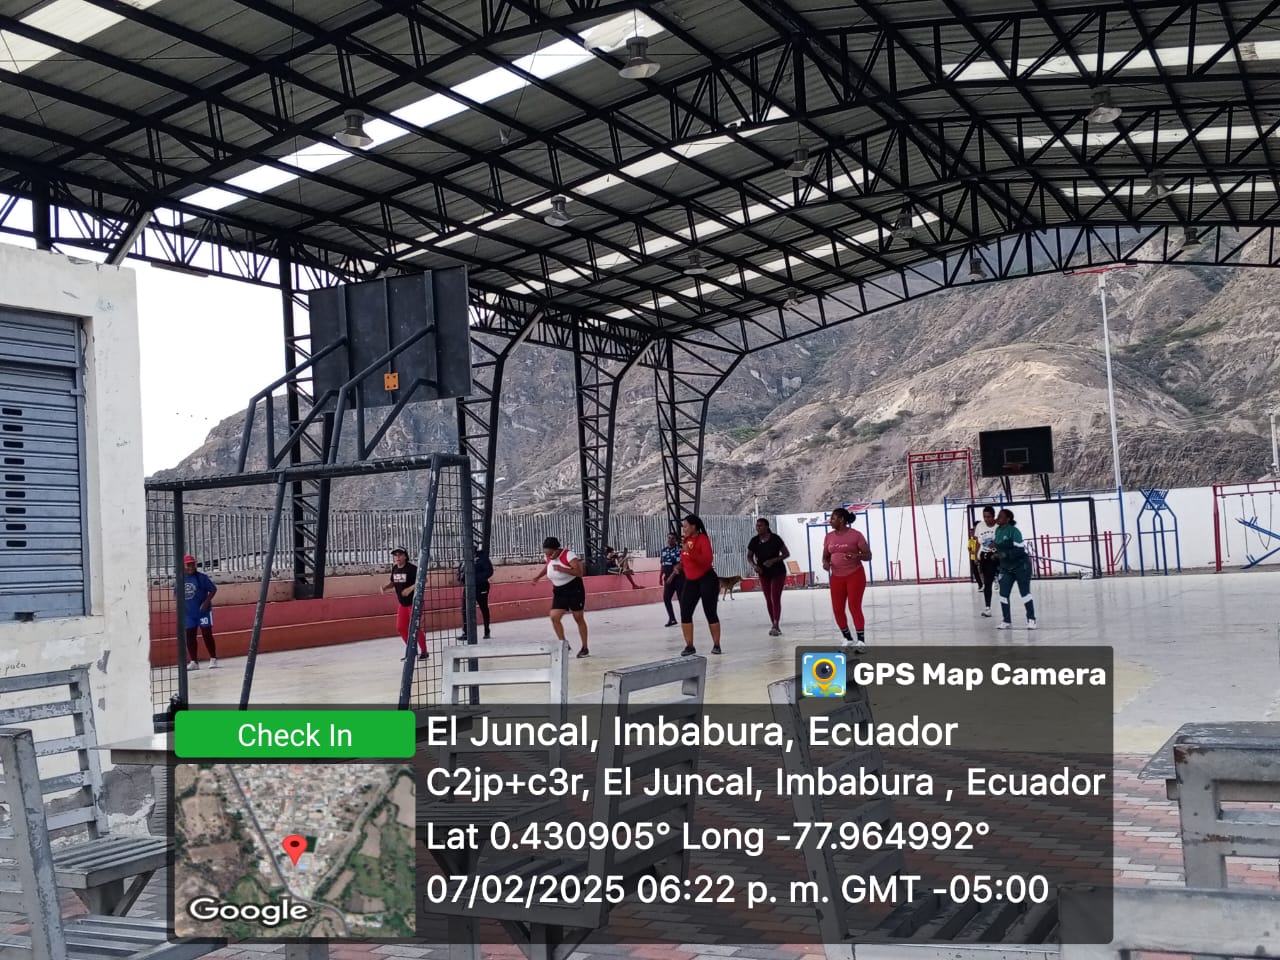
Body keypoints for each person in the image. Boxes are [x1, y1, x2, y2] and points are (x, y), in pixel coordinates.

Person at [821, 507, 872, 651]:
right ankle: (848, 638)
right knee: (837, 609)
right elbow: (825, 556)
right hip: (836, 577)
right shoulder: (829, 537)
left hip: (855, 575)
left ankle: (861, 641)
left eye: (833, 518)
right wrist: (825, 563)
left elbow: (868, 555)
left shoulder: (856, 535)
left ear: (841, 520)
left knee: (854, 607)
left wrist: (857, 556)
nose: (830, 521)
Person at [531, 537, 589, 658]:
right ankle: (563, 644)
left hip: (574, 589)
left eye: (551, 553)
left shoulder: (568, 555)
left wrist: (562, 569)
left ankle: (584, 647)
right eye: (546, 554)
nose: (549, 556)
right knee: (554, 617)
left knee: (578, 617)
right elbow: (548, 566)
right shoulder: (549, 557)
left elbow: (579, 572)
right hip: (559, 591)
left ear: (557, 549)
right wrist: (538, 577)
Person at [672, 514, 720, 656]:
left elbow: (707, 560)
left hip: (707, 579)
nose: (684, 529)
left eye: (686, 526)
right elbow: (686, 559)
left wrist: (690, 552)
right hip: (691, 580)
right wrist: (680, 566)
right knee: (685, 611)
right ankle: (689, 646)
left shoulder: (703, 539)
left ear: (694, 527)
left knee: (710, 611)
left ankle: (716, 644)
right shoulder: (686, 540)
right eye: (683, 526)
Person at [993, 509, 1037, 630]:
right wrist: (995, 551)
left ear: (1008, 519)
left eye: (1001, 516)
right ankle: (1006, 620)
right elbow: (1000, 546)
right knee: (1003, 593)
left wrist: (1005, 554)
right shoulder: (998, 530)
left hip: (1021, 567)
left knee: (1025, 593)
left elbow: (1020, 550)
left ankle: (1031, 619)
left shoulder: (1014, 531)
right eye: (998, 516)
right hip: (1006, 568)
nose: (998, 518)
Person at [382, 547, 428, 660]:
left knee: (414, 627)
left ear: (405, 556)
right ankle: (412, 651)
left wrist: (410, 589)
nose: (397, 557)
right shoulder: (395, 568)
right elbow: (393, 582)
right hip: (403, 603)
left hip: (414, 602)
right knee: (401, 627)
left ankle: (424, 651)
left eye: (400, 555)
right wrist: (386, 587)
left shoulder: (411, 568)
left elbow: (424, 579)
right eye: (395, 555)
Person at [746, 518, 790, 636]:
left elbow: (786, 553)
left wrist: (773, 560)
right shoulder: (754, 541)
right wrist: (754, 566)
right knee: (768, 598)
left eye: (760, 526)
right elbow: (749, 556)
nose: (758, 528)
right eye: (757, 526)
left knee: (775, 597)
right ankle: (773, 623)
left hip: (778, 571)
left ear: (766, 527)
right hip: (763, 572)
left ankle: (776, 624)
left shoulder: (775, 539)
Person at [182, 555, 218, 670]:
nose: (191, 567)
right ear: (183, 566)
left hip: (203, 612)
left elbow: (213, 589)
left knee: (207, 634)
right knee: (190, 636)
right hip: (189, 614)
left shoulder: (201, 578)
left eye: (193, 564)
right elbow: (176, 594)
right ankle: (194, 661)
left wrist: (206, 603)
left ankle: (213, 658)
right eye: (188, 565)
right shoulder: (180, 579)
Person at [456, 548, 494, 640]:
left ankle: (487, 630)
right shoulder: (466, 558)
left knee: (483, 607)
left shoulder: (482, 557)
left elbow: (489, 571)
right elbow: (461, 570)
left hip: (481, 586)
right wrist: (460, 576)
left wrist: (475, 578)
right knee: (465, 609)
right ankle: (466, 632)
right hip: (468, 586)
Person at [973, 505, 1000, 617]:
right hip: (985, 555)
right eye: (984, 517)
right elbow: (977, 542)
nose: (986, 519)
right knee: (987, 583)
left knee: (998, 574)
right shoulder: (980, 526)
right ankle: (987, 607)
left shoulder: (998, 526)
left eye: (988, 517)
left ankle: (997, 576)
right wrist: (975, 555)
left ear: (993, 516)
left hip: (997, 554)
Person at [659, 532, 682, 627]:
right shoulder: (664, 550)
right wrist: (660, 576)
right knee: (666, 598)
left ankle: (685, 618)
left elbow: (679, 565)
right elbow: (662, 564)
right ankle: (672, 618)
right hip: (667, 577)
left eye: (672, 538)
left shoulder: (679, 550)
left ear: (676, 540)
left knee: (681, 599)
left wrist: (671, 576)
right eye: (669, 538)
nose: (670, 540)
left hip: (678, 578)